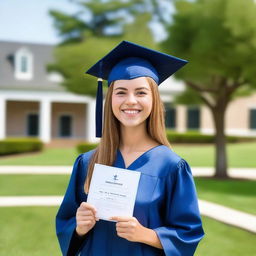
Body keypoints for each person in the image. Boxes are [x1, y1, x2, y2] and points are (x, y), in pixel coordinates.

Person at [56, 41, 204, 256]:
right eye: (121, 92)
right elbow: (66, 223)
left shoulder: (171, 167)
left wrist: (145, 234)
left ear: (154, 100)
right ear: (110, 99)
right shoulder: (87, 162)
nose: (131, 101)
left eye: (141, 92)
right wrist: (78, 228)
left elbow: (188, 234)